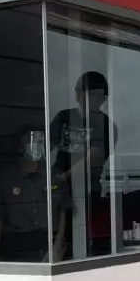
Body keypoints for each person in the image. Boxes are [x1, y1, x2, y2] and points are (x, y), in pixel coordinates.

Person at [49, 71, 117, 258]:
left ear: (103, 98)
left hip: (86, 189)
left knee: (78, 238)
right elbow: (47, 147)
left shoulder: (106, 125)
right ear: (78, 94)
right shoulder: (64, 117)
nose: (93, 99)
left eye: (98, 95)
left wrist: (68, 175)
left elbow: (95, 156)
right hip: (57, 185)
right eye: (88, 93)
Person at [0, 125, 68, 262]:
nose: (37, 146)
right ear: (20, 147)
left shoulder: (54, 174)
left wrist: (58, 242)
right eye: (31, 142)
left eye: (40, 142)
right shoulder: (5, 177)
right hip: (16, 243)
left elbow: (63, 208)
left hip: (47, 241)